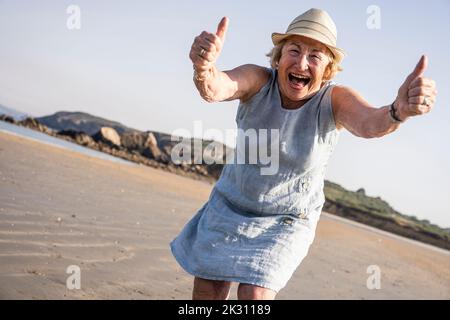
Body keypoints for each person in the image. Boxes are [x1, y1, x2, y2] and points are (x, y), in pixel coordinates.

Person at [170, 8, 437, 300]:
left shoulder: (334, 100)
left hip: (287, 219)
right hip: (230, 206)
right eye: (294, 50)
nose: (301, 63)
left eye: (315, 56)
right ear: (279, 56)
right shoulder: (259, 80)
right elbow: (217, 87)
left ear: (327, 69)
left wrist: (399, 111)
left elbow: (369, 123)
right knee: (208, 292)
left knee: (254, 294)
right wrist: (204, 68)